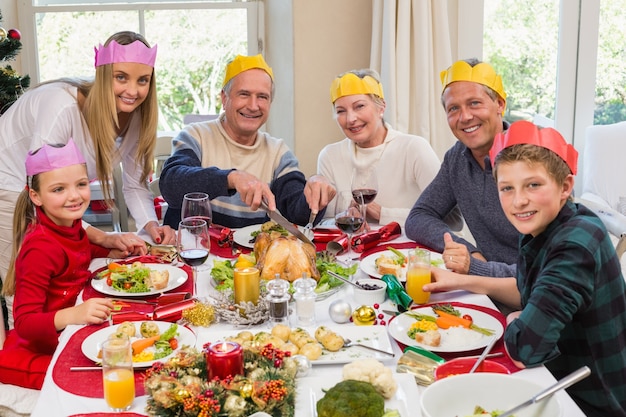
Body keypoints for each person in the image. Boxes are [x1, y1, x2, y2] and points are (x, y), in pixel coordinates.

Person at [424, 120, 626, 416]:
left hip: (589, 401)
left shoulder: (575, 244)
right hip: (556, 377)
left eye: (533, 184)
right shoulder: (548, 224)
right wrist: (459, 280)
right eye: (507, 188)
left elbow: (525, 349)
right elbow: (525, 288)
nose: (519, 201)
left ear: (565, 186)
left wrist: (515, 320)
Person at [0, 31, 176, 336]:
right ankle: (21, 366)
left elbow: (134, 187)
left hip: (47, 192)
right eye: (122, 77)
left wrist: (150, 225)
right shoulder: (62, 107)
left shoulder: (135, 116)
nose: (133, 91)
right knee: (24, 293)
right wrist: (101, 237)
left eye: (142, 80)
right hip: (12, 186)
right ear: (104, 74)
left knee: (69, 286)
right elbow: (45, 190)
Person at [160, 54, 336, 229]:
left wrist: (315, 194)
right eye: (244, 94)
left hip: (250, 256)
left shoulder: (278, 152)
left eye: (262, 97)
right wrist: (231, 178)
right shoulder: (195, 135)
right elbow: (171, 184)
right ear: (224, 98)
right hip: (192, 251)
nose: (253, 106)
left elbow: (299, 215)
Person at [0, 140, 119, 390]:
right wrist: (74, 314)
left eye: (81, 184)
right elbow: (24, 323)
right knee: (105, 377)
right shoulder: (39, 248)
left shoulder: (69, 225)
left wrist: (111, 250)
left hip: (68, 335)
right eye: (58, 189)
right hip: (36, 351)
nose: (74, 196)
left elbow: (79, 251)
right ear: (36, 196)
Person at [405, 58, 518, 277]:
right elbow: (418, 217)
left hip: (535, 294)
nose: (465, 117)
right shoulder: (457, 158)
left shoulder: (534, 159)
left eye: (475, 103)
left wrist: (477, 267)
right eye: (454, 108)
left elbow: (546, 271)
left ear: (500, 104)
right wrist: (468, 251)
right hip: (484, 285)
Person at [318, 69, 452, 226]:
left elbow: (451, 219)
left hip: (411, 250)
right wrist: (344, 216)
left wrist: (383, 214)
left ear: (381, 108)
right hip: (353, 249)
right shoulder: (330, 156)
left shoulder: (414, 148)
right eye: (341, 111)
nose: (351, 119)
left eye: (359, 106)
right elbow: (323, 222)